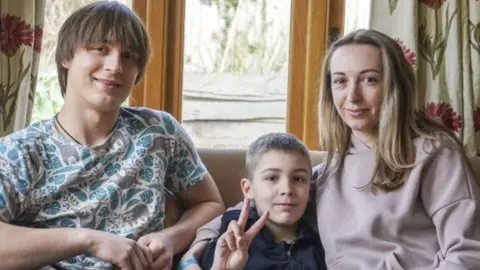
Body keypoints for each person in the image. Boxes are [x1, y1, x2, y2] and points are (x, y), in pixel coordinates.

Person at [180, 29, 480, 270]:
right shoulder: (330, 170)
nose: (352, 96)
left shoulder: (434, 153)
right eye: (340, 81)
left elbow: (468, 253)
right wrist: (192, 256)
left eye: (369, 80)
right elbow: (250, 208)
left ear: (394, 85)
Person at [0, 1, 224, 270]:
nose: (115, 65)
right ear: (66, 56)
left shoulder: (158, 131)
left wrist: (170, 238)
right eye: (100, 49)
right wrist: (89, 240)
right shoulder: (21, 152)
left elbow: (209, 203)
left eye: (128, 56)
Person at [196, 133, 326, 270]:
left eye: (298, 179)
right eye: (272, 178)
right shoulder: (229, 244)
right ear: (248, 189)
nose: (287, 189)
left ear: (310, 190)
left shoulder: (323, 245)